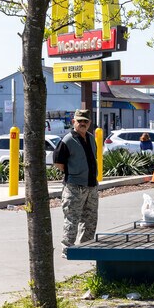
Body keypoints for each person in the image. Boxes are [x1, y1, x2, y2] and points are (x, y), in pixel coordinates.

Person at [54, 109, 99, 258]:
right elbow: (58, 162)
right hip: (74, 187)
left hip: (91, 186)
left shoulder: (91, 138)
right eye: (80, 121)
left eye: (86, 121)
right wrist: (73, 172)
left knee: (90, 219)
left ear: (89, 123)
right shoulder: (67, 140)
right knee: (72, 220)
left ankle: (86, 248)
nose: (83, 124)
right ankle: (67, 250)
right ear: (74, 122)